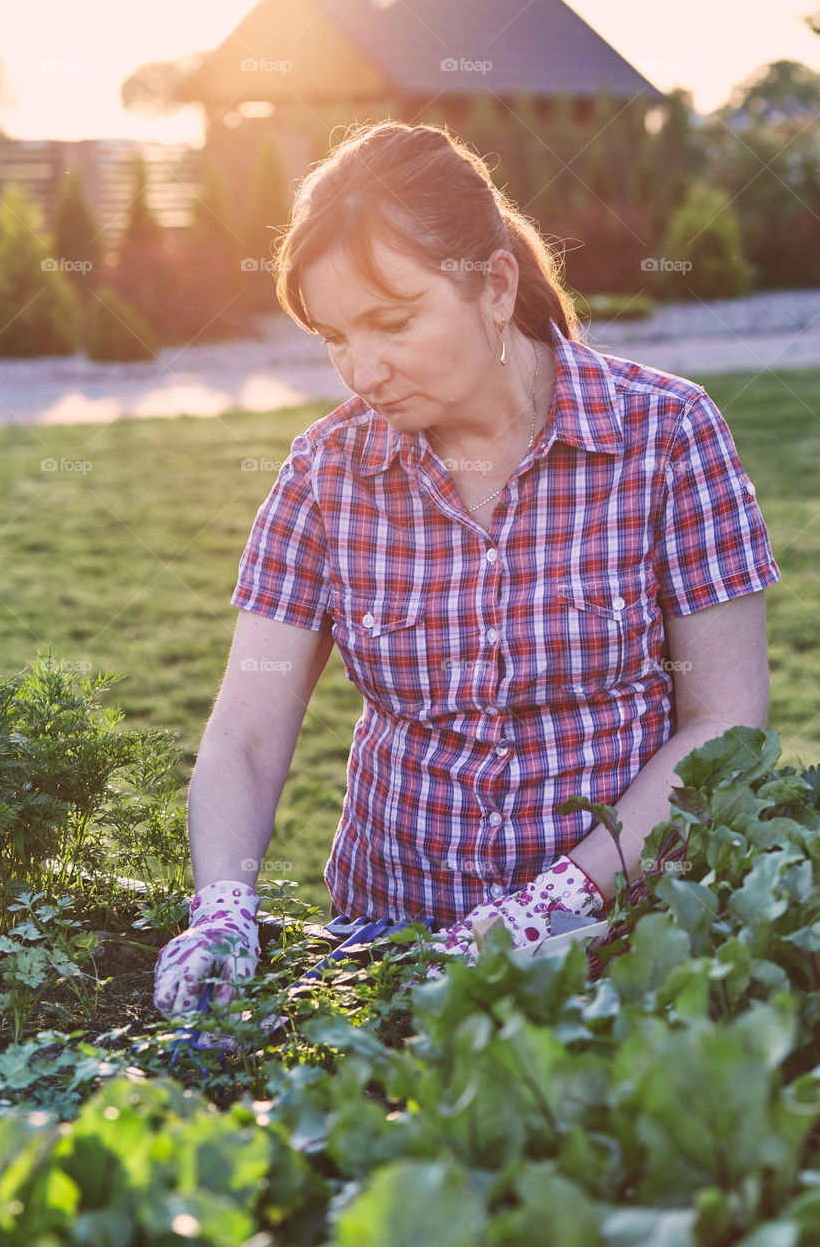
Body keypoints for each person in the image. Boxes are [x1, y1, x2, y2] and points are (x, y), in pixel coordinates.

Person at [153, 120, 780, 1014]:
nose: (360, 369)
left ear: (492, 285)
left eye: (392, 321)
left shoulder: (666, 437)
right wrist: (220, 906)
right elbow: (247, 737)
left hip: (625, 943)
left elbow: (721, 721)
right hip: (391, 949)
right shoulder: (326, 475)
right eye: (332, 335)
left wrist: (552, 908)